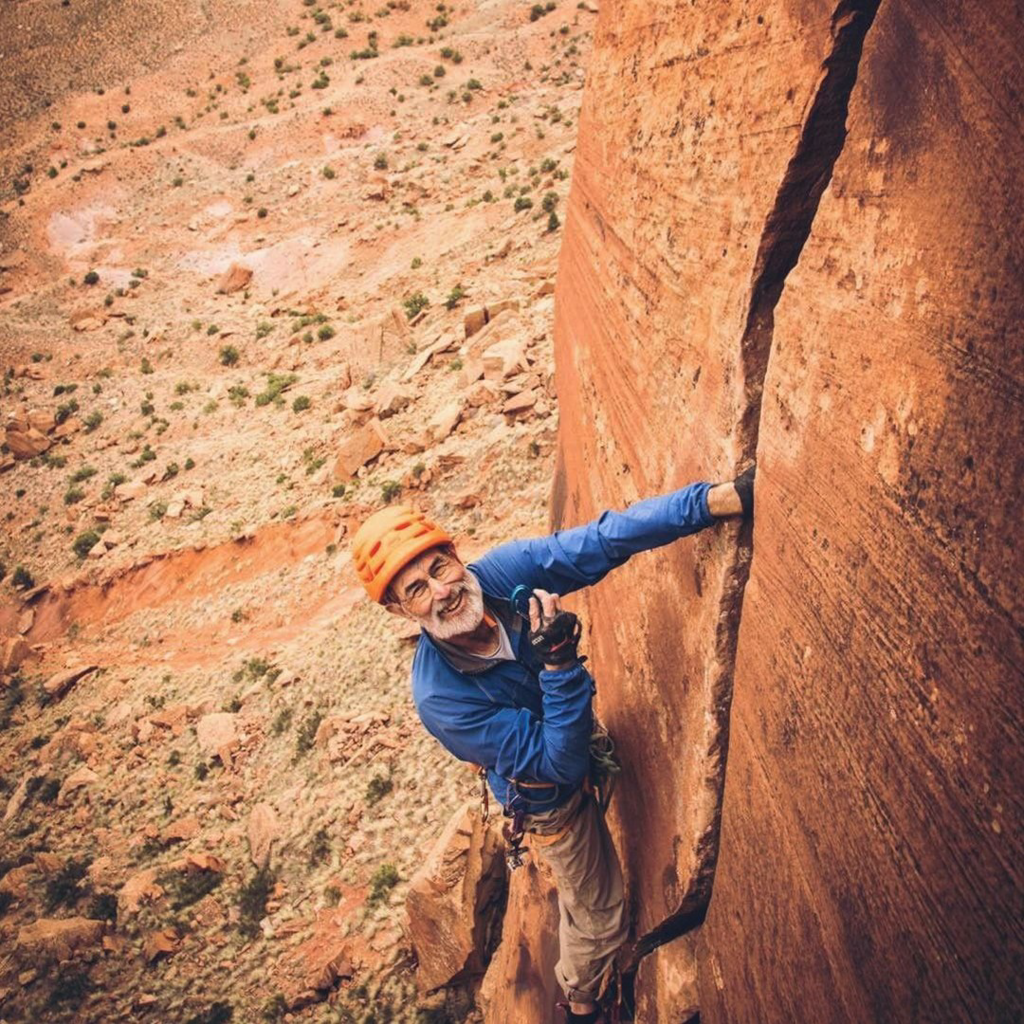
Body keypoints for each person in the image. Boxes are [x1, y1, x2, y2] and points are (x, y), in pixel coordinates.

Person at [351, 469, 755, 1023]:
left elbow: (597, 542)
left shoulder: (497, 577)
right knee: (599, 917)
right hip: (549, 800)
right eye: (416, 590)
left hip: (570, 741)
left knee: (594, 880)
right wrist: (560, 666)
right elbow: (556, 764)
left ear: (455, 553)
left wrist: (708, 503)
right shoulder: (440, 698)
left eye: (438, 567)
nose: (442, 590)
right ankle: (584, 1006)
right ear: (401, 612)